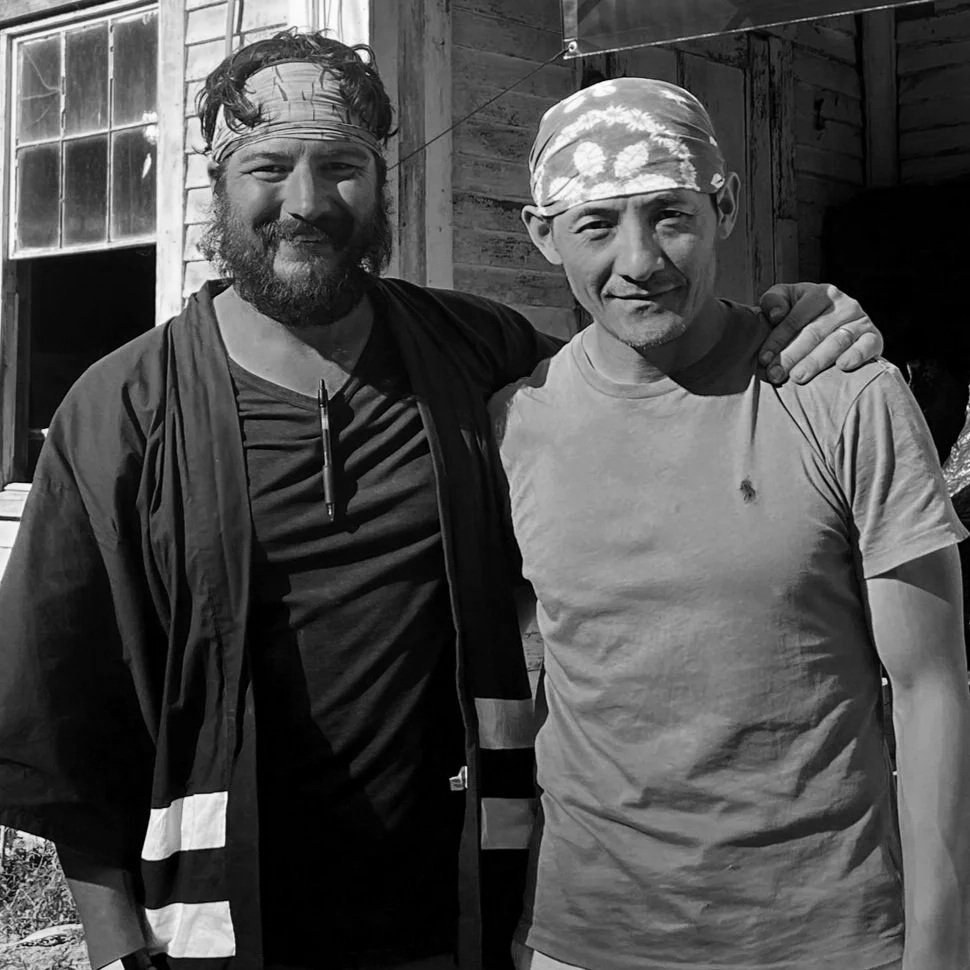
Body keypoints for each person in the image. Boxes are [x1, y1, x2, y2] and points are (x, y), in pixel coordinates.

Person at [0, 34, 884, 970]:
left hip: (458, 910)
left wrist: (799, 317)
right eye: (269, 165)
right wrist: (110, 942)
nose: (306, 202)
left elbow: (638, 370)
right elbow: (65, 700)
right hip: (224, 920)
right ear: (217, 183)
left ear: (387, 184)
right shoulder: (127, 409)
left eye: (342, 166)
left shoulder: (474, 355)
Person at [491, 78, 970, 970]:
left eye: (669, 214)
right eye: (596, 224)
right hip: (581, 939)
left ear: (727, 206)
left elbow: (933, 686)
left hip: (822, 938)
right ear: (541, 233)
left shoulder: (844, 394)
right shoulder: (514, 423)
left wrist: (941, 949)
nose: (638, 260)